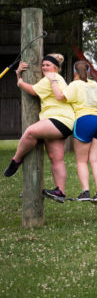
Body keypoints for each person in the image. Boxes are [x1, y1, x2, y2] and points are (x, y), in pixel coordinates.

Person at [4, 54, 75, 203]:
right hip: (62, 121)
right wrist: (18, 74)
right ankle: (60, 192)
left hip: (59, 119)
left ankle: (16, 160)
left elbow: (32, 90)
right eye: (43, 65)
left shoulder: (52, 77)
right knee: (55, 159)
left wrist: (19, 80)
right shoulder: (53, 78)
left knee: (30, 132)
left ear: (55, 67)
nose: (44, 67)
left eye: (48, 65)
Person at [61, 61, 97, 203]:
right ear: (89, 71)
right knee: (96, 160)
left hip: (83, 120)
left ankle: (85, 192)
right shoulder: (96, 85)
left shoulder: (74, 85)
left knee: (81, 161)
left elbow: (61, 97)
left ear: (75, 72)